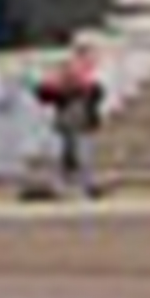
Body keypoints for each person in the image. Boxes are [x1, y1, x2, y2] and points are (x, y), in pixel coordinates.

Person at [35, 41, 108, 200]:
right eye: (89, 56)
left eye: (93, 57)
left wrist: (87, 86)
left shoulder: (93, 78)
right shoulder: (66, 73)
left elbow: (97, 96)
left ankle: (86, 187)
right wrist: (62, 85)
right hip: (65, 122)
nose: (93, 60)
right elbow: (45, 95)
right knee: (60, 155)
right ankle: (61, 187)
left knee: (84, 156)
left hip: (84, 122)